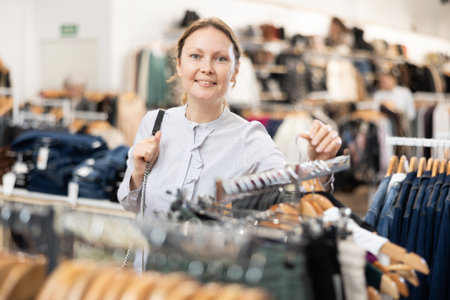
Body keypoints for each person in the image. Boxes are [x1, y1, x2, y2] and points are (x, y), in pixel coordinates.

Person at [117, 17, 342, 215]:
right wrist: (137, 173)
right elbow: (130, 205)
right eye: (195, 56)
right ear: (178, 64)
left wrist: (319, 167)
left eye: (220, 59)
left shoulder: (249, 138)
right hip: (147, 263)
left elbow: (293, 200)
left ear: (235, 71)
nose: (207, 68)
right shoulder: (154, 123)